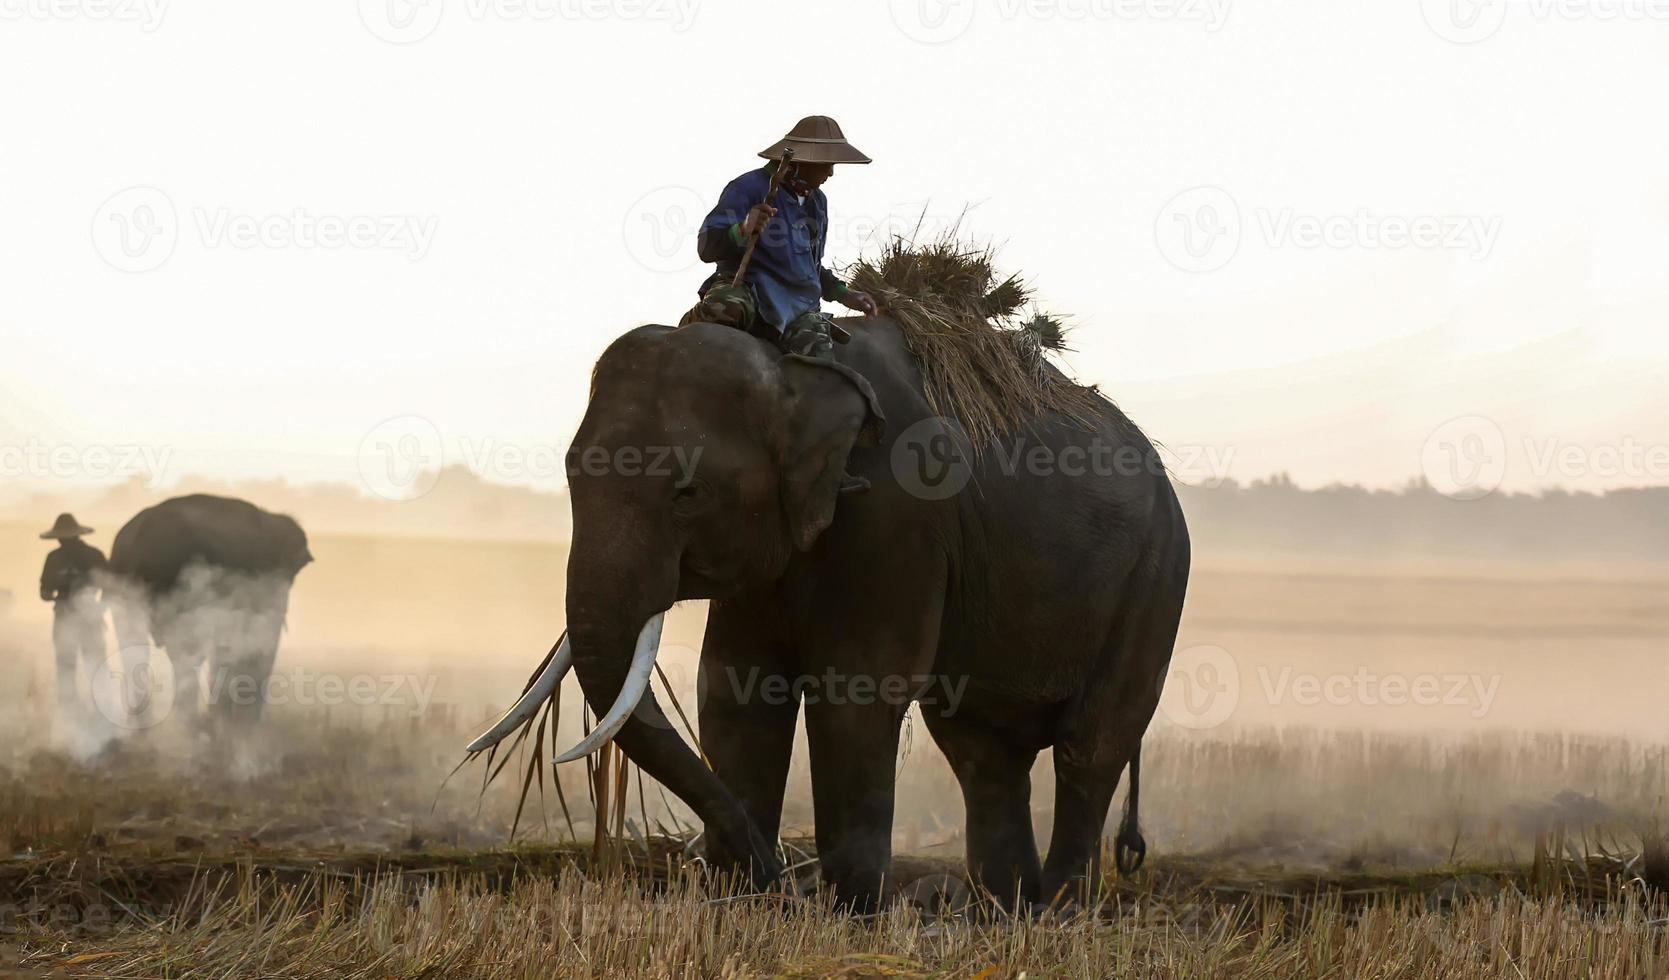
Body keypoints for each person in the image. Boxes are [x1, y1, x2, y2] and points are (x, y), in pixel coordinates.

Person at [688, 115, 881, 360]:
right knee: (726, 307)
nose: (831, 173)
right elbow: (706, 247)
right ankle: (688, 328)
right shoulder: (748, 187)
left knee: (820, 361)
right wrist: (744, 229)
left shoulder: (817, 203)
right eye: (826, 164)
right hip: (751, 291)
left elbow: (810, 267)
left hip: (798, 307)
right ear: (801, 161)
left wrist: (842, 293)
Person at [38, 513, 107, 716]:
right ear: (78, 535)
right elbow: (111, 585)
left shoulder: (54, 558)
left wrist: (60, 595)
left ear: (58, 537)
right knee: (96, 665)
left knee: (66, 667)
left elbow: (44, 593)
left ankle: (69, 715)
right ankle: (103, 711)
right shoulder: (95, 555)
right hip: (91, 618)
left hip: (64, 619)